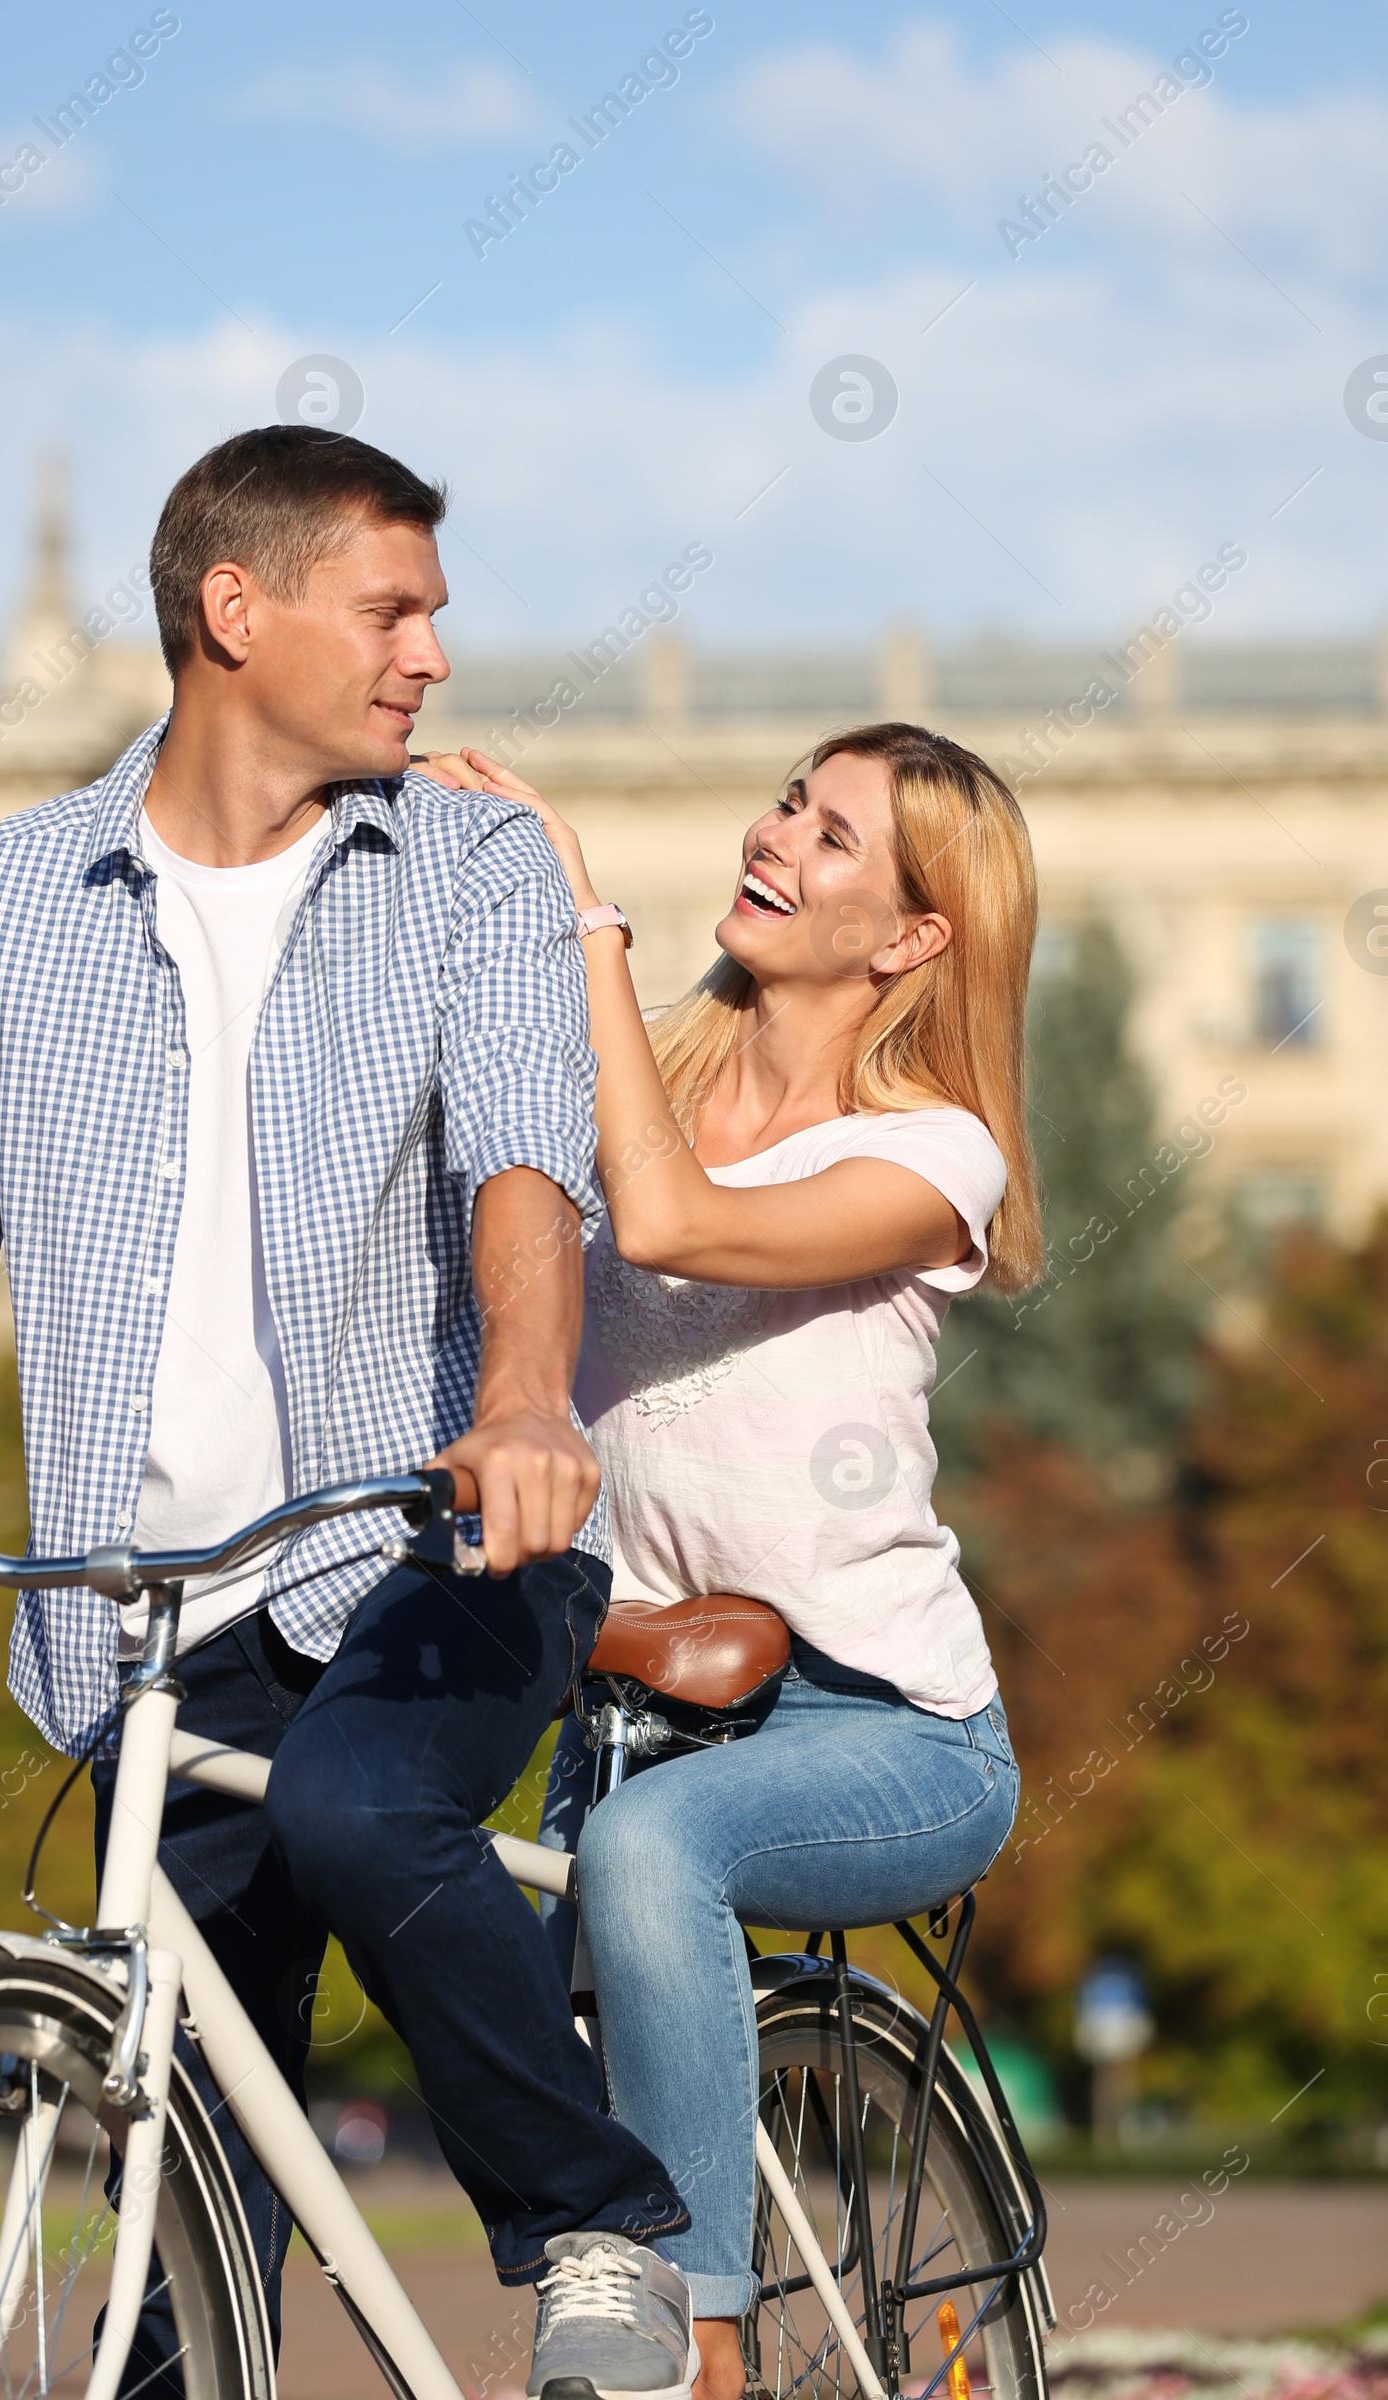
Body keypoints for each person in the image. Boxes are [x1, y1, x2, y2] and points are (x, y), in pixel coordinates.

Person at [0, 427, 699, 2400]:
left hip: (439, 1547)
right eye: (392, 609)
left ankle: (598, 2230)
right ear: (236, 612)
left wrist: (528, 1401)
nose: (432, 657)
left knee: (361, 1804)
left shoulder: (467, 865)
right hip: (145, 1618)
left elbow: (522, 1163)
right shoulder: (0, 902)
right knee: (176, 2231)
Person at [419, 721, 1041, 2400]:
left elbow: (679, 1221)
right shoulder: (653, 1080)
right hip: (638, 1694)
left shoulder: (932, 1153)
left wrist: (587, 925)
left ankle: (696, 2344)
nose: (779, 839)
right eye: (789, 803)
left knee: (647, 1852)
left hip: (884, 1728)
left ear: (913, 937)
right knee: (416, 1897)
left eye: (836, 840)